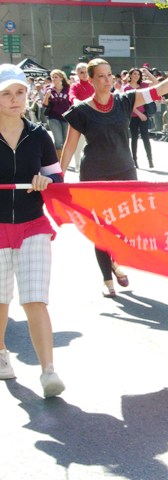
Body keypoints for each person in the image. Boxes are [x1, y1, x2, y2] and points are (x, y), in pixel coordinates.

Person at [60, 58, 168, 297]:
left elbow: (161, 88)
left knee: (124, 225)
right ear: (90, 80)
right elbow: (70, 146)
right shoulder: (81, 111)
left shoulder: (125, 100)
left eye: (109, 75)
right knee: (100, 227)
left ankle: (115, 260)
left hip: (124, 173)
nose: (107, 80)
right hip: (94, 176)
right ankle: (107, 279)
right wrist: (58, 178)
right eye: (101, 76)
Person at [0, 64, 65, 398]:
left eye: (20, 92)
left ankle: (48, 370)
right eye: (6, 94)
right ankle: (1, 353)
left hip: (33, 226)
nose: (15, 99)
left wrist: (46, 180)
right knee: (0, 300)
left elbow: (57, 177)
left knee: (35, 299)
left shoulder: (39, 135)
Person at [124, 67, 158, 168]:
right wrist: (139, 114)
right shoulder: (126, 88)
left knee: (145, 137)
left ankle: (150, 160)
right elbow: (130, 104)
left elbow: (156, 82)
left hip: (144, 114)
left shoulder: (143, 85)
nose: (136, 76)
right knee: (134, 138)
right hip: (133, 116)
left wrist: (147, 72)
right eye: (134, 74)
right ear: (130, 75)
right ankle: (134, 160)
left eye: (138, 74)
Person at [68, 62, 94, 171]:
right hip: (81, 118)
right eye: (81, 72)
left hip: (94, 117)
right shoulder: (75, 85)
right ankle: (78, 166)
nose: (84, 74)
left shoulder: (93, 83)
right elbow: (71, 96)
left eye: (86, 72)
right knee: (78, 145)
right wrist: (75, 101)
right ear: (77, 74)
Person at [42, 69, 71, 159]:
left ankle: (65, 159)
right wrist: (47, 96)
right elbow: (45, 104)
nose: (54, 79)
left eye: (56, 77)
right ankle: (58, 160)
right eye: (52, 77)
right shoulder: (49, 89)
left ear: (61, 78)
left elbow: (71, 103)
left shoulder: (68, 89)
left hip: (66, 117)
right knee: (58, 141)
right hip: (53, 117)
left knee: (66, 140)